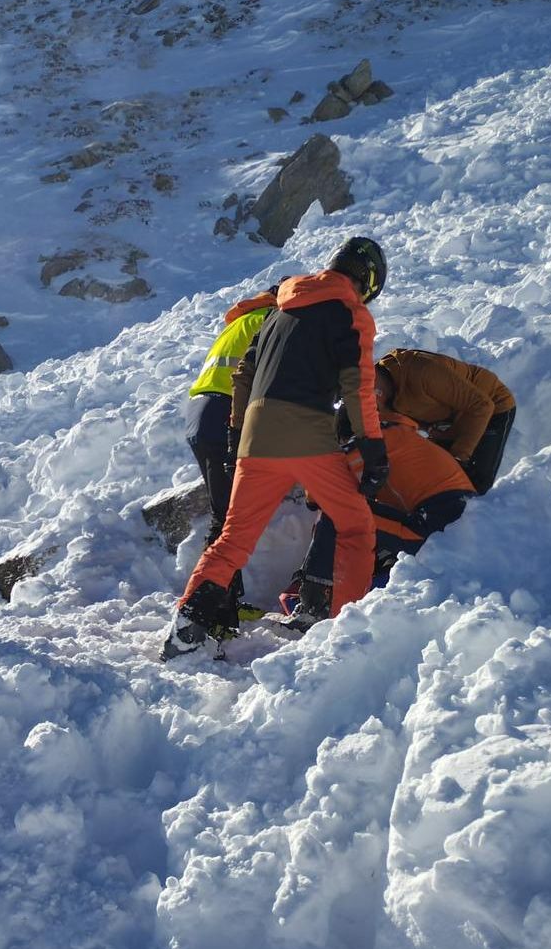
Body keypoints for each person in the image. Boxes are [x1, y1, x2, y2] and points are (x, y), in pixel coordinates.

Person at [162, 236, 389, 659]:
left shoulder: (281, 308)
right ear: (369, 282)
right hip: (306, 432)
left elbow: (244, 374)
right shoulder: (350, 312)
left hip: (256, 437)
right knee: (355, 524)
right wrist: (372, 448)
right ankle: (345, 632)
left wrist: (236, 435)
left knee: (233, 538)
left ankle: (188, 623)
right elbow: (358, 385)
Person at [280, 410, 475, 630]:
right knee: (358, 515)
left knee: (337, 513)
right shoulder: (398, 435)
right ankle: (328, 595)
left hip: (434, 528)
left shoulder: (372, 443)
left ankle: (312, 607)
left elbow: (314, 496)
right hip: (450, 525)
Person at [182, 287, 282, 612]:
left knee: (223, 514)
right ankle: (207, 609)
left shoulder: (242, 320)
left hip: (200, 413)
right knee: (228, 524)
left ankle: (225, 602)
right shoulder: (274, 318)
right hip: (226, 412)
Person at [375, 348, 515, 495]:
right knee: (436, 477)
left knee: (473, 481)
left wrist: (459, 456)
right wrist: (428, 428)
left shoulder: (423, 371)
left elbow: (482, 406)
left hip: (491, 407)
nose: (374, 408)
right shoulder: (381, 397)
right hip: (452, 418)